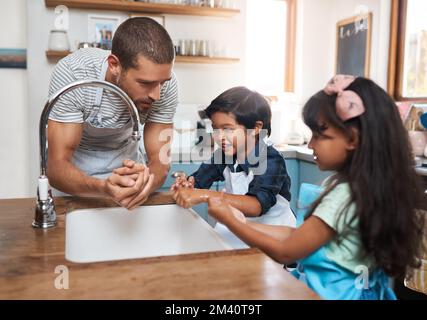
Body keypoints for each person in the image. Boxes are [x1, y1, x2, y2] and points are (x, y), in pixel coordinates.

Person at [207, 76, 425, 299]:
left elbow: (286, 251)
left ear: (352, 139)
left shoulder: (344, 196)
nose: (311, 144)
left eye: (320, 136)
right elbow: (300, 235)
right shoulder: (369, 188)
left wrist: (230, 221)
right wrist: (241, 221)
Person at [47, 17, 178, 210]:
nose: (156, 95)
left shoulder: (164, 84)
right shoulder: (74, 74)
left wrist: (145, 184)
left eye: (162, 82)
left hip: (128, 181)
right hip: (74, 185)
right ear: (114, 64)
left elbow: (161, 161)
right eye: (145, 83)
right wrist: (103, 187)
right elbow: (57, 167)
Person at [171, 86, 296, 249]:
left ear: (256, 128)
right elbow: (199, 181)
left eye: (228, 129)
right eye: (215, 129)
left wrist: (204, 195)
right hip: (239, 231)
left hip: (273, 237)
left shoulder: (270, 159)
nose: (219, 136)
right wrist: (188, 185)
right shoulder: (224, 154)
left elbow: (256, 206)